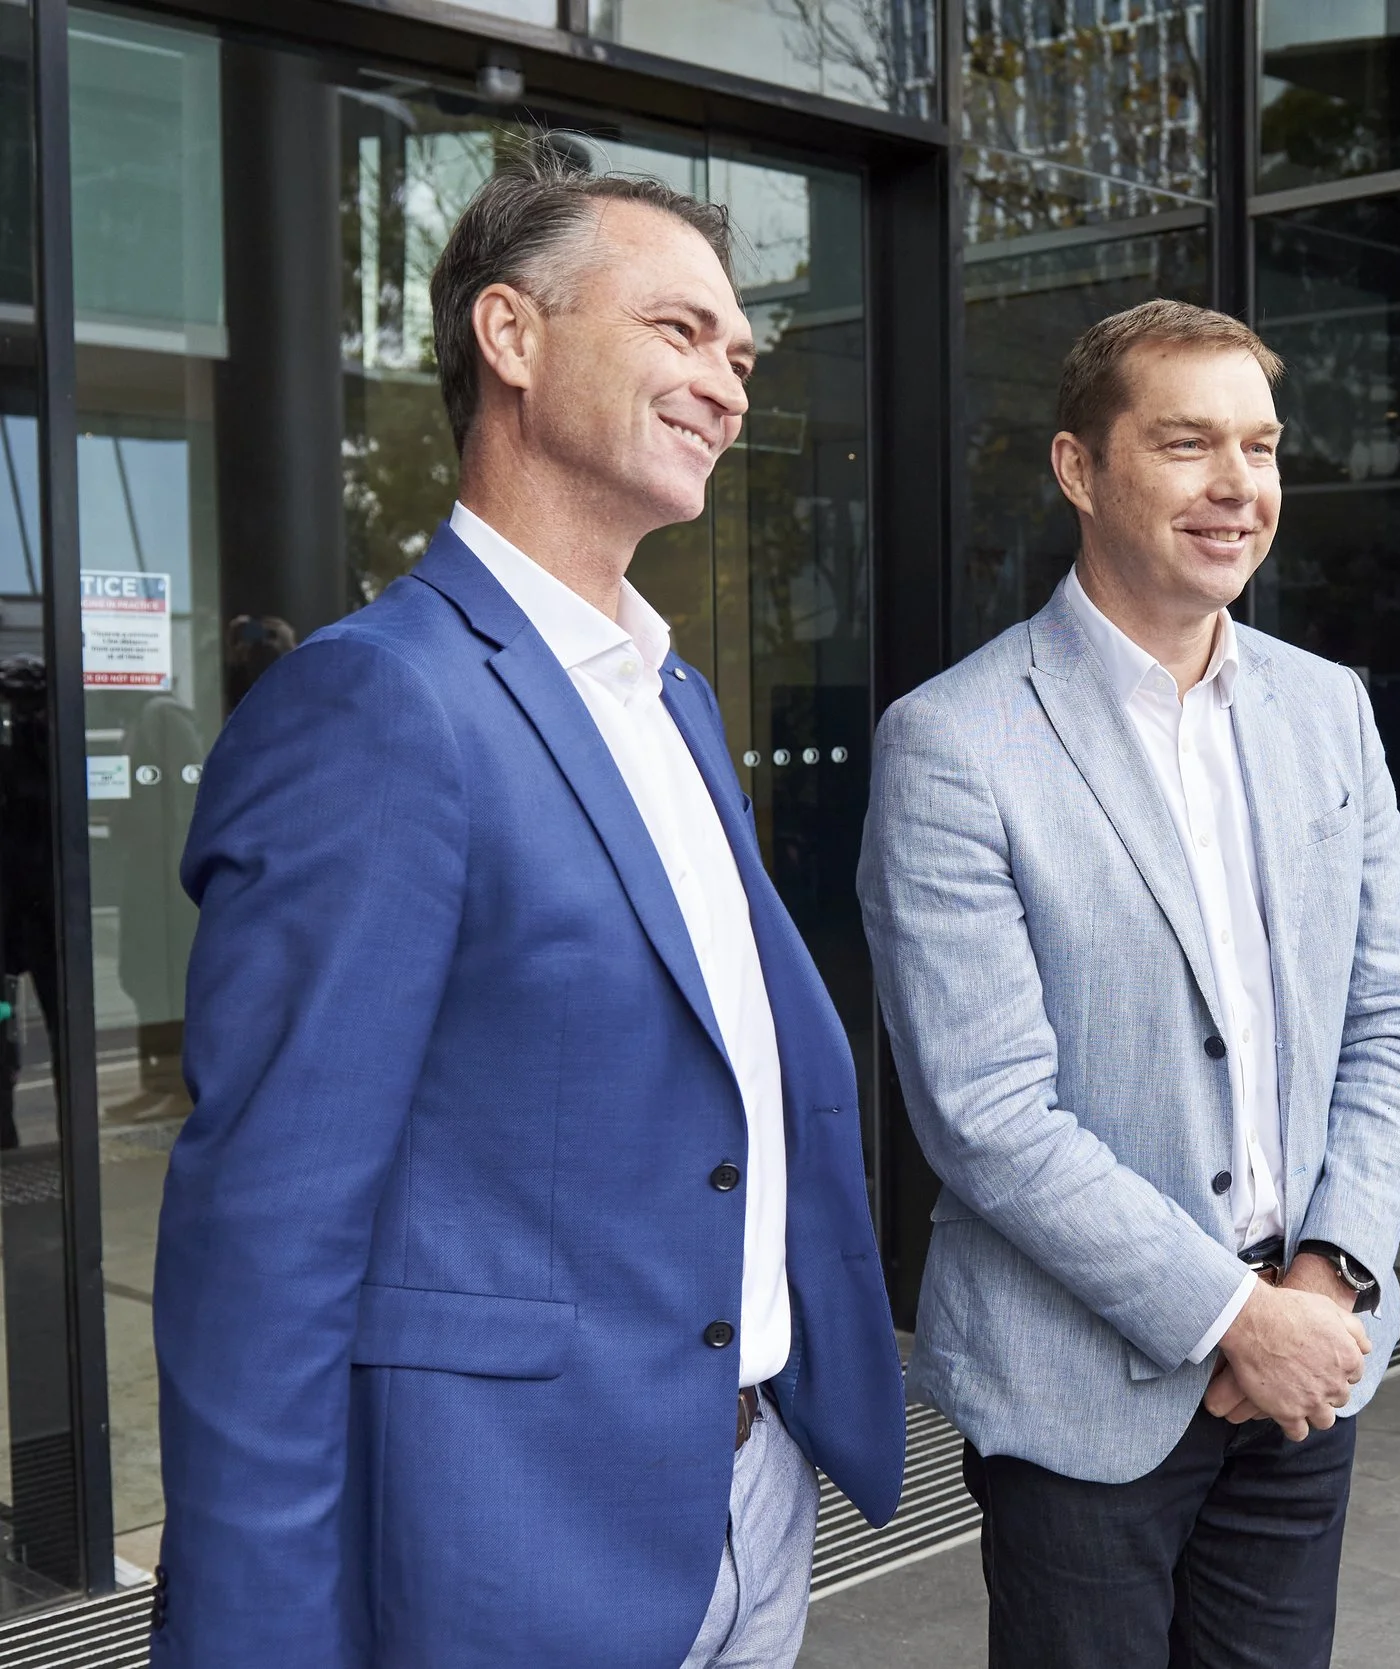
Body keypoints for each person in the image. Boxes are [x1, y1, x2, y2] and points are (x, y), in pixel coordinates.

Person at [152, 145, 905, 1669]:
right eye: (680, 331)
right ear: (511, 337)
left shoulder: (673, 695)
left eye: (742, 352)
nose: (730, 381)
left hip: (751, 1495)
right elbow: (264, 1240)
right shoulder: (375, 705)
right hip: (511, 1544)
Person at [858, 299, 1400, 1668]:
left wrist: (1323, 1281)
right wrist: (1235, 1316)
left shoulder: (1327, 708)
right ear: (1079, 469)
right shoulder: (954, 742)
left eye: (1262, 445)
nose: (1239, 486)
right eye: (1188, 443)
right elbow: (988, 1113)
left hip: (1311, 1360)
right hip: (1082, 1396)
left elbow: (1394, 1013)